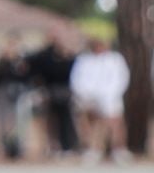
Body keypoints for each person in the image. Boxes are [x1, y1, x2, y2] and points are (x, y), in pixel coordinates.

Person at [71, 35, 130, 163]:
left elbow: (121, 78)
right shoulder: (84, 60)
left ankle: (118, 149)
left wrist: (110, 94)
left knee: (115, 124)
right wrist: (86, 94)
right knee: (92, 124)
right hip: (90, 98)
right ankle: (94, 149)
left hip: (111, 97)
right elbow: (77, 79)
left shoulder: (115, 59)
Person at [27, 35, 78, 157]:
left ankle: (68, 145)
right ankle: (53, 145)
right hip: (52, 91)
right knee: (51, 120)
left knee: (66, 120)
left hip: (65, 92)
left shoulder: (70, 60)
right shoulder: (47, 59)